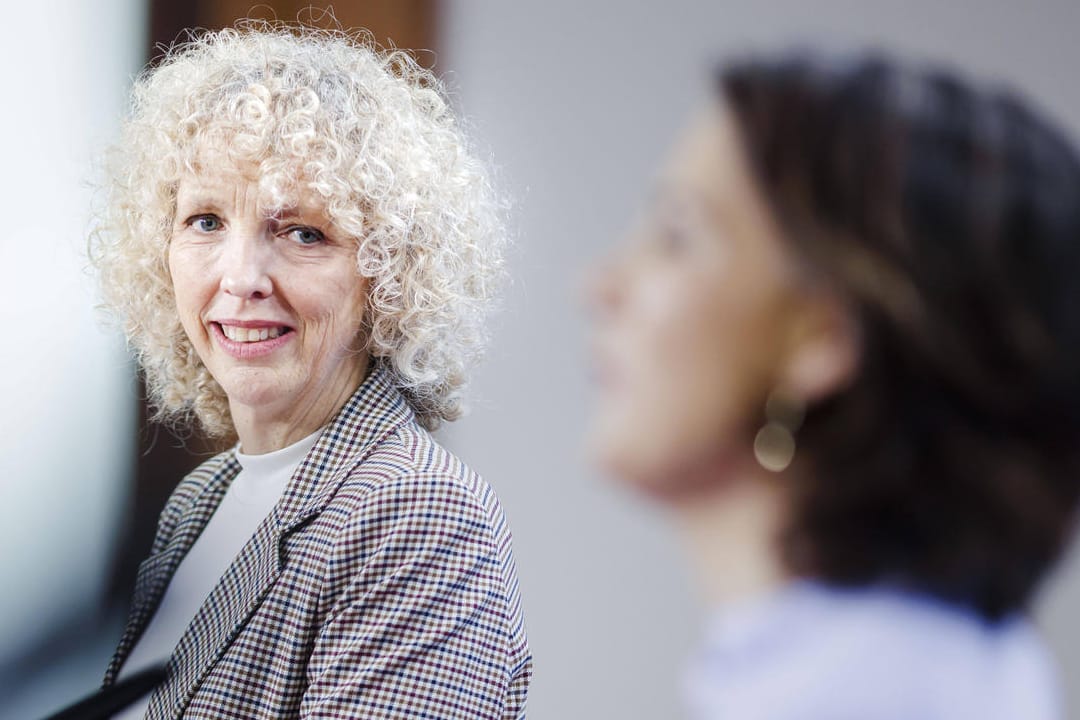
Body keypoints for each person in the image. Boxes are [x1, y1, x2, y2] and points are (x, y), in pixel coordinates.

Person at [586, 50, 1080, 719]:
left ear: (820, 340)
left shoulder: (861, 693)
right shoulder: (927, 662)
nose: (601, 288)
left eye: (677, 235)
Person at [90, 24, 531, 719]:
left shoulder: (419, 515)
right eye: (205, 221)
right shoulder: (198, 505)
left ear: (387, 274)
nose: (240, 278)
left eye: (303, 233)